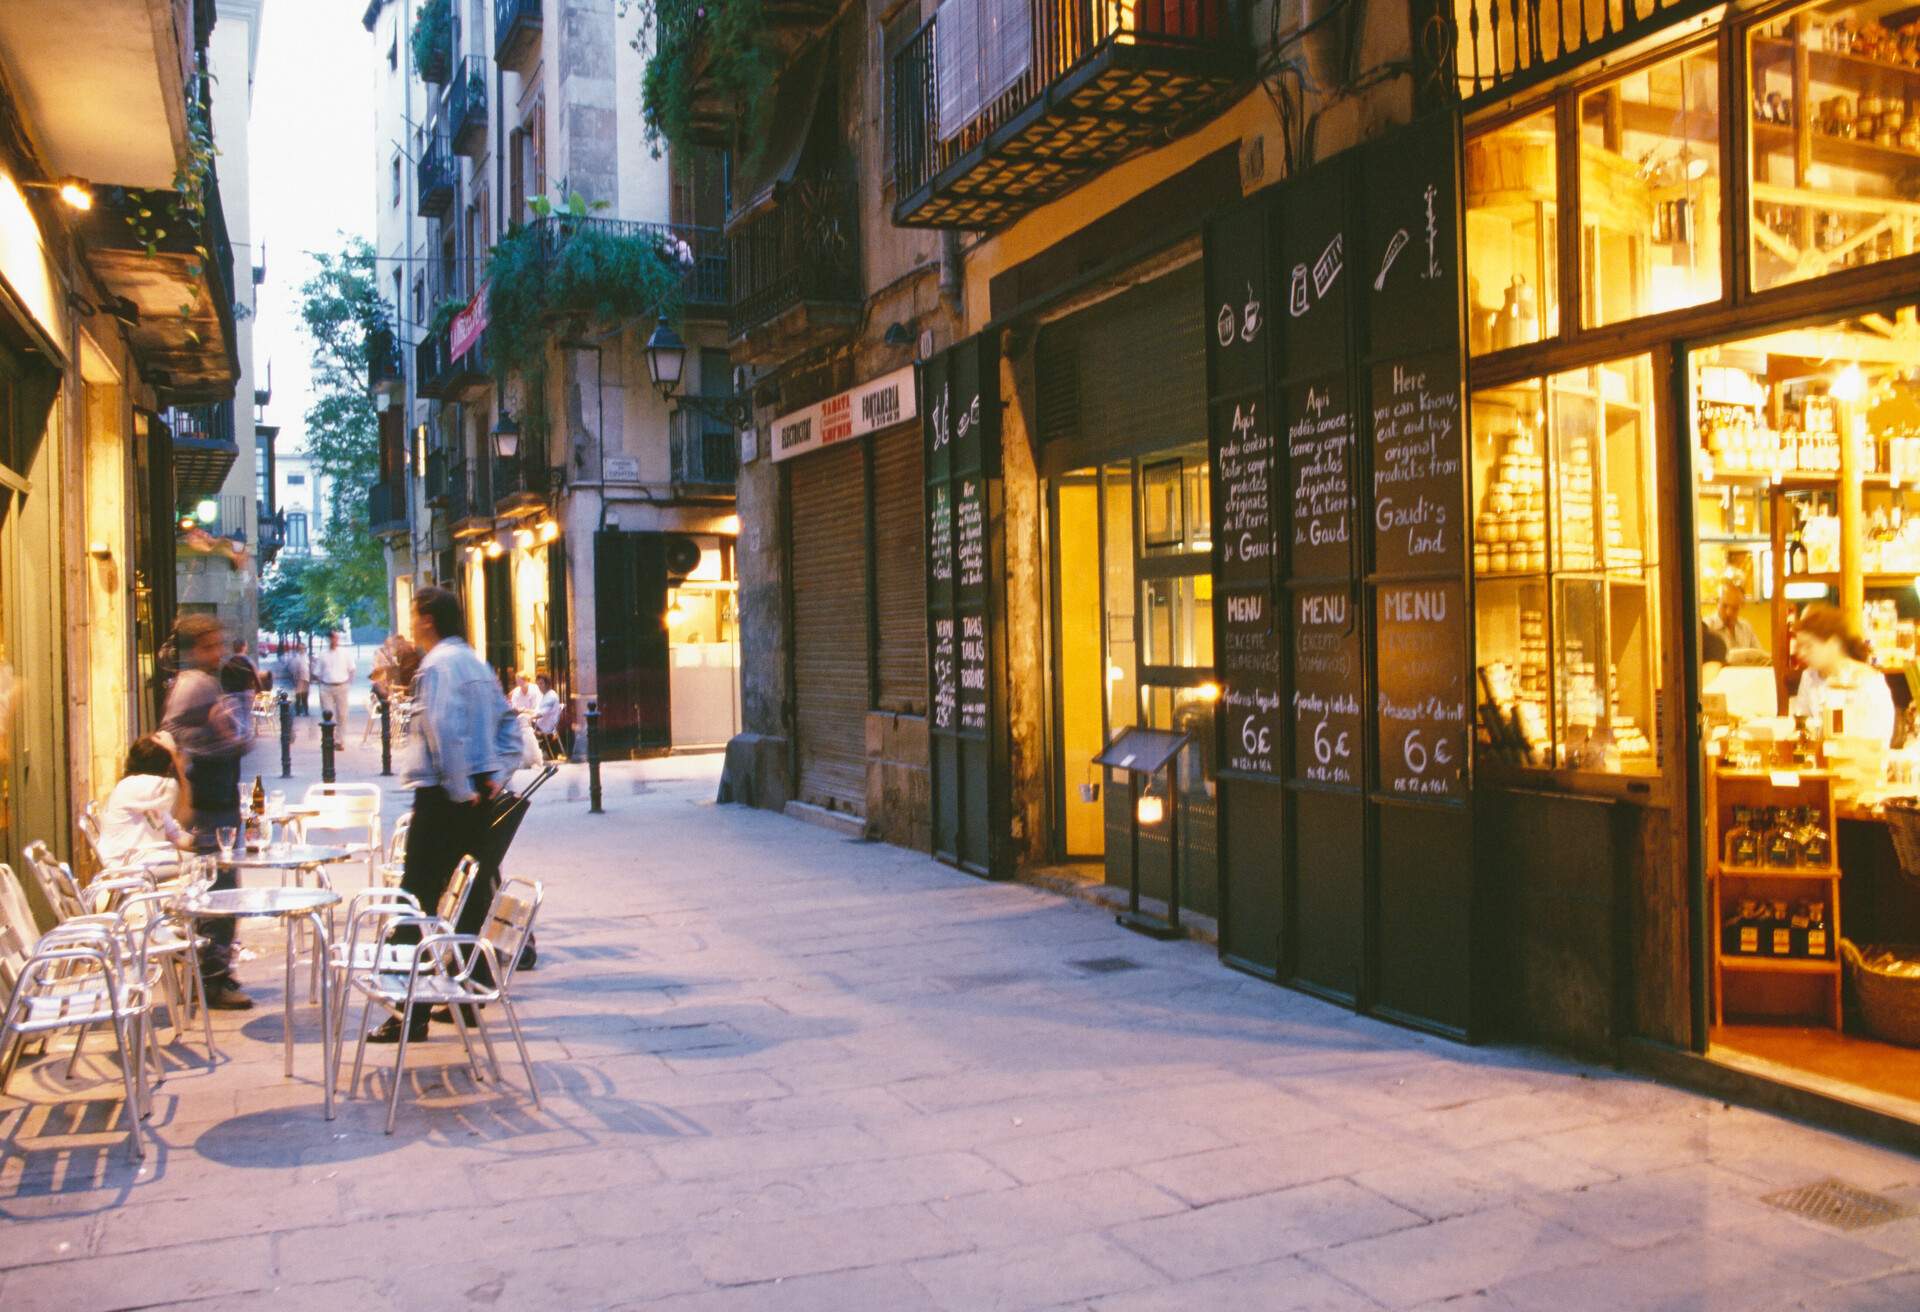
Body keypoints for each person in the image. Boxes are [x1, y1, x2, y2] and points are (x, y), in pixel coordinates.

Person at [379, 585, 521, 1043]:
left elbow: (442, 730)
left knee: (416, 897)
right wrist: (496, 774)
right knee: (473, 893)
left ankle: (410, 1010)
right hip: (474, 796)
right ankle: (468, 993)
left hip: (444, 798)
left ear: (428, 618)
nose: (411, 623)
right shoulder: (475, 663)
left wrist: (461, 787)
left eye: (414, 614)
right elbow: (508, 723)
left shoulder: (437, 666)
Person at [161, 613, 254, 1009]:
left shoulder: (203, 683)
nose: (217, 653)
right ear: (192, 650)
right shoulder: (194, 685)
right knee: (218, 892)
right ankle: (213, 980)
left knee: (221, 887)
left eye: (219, 644)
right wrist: (229, 737)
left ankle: (213, 973)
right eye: (209, 646)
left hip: (217, 800)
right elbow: (177, 738)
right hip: (209, 804)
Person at [1791, 603, 1897, 745]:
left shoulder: (1867, 680)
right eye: (1799, 646)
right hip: (1819, 760)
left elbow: (1879, 735)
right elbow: (1802, 723)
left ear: (1833, 643)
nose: (1802, 653)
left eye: (1808, 646)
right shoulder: (1809, 677)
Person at [97, 735, 193, 871]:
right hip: (129, 866)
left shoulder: (150, 796)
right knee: (203, 865)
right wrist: (175, 754)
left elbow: (176, 836)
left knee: (203, 860)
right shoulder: (141, 786)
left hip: (139, 860)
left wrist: (207, 842)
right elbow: (187, 809)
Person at [313, 631, 356, 731]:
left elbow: (352, 669)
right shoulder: (323, 654)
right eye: (332, 638)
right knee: (327, 713)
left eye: (336, 638)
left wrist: (349, 682)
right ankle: (329, 738)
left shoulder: (345, 653)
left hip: (342, 686)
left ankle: (339, 740)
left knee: (342, 714)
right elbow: (317, 672)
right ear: (328, 639)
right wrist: (320, 684)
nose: (334, 640)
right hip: (326, 687)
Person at [1707, 580, 1763, 654]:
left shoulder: (1746, 627)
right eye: (1725, 606)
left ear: (1742, 606)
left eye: (1735, 608)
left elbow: (1760, 655)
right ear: (1717, 602)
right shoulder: (1707, 627)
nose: (1729, 612)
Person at [533, 674, 563, 760]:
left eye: (541, 683)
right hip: (539, 725)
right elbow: (536, 711)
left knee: (522, 729)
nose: (539, 686)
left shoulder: (551, 696)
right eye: (538, 684)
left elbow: (541, 714)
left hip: (545, 727)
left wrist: (528, 717)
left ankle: (532, 756)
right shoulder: (544, 696)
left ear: (547, 683)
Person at [286, 644, 311, 716]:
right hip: (298, 680)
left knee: (305, 697)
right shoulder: (296, 658)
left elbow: (308, 668)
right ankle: (298, 712)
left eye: (304, 648)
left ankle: (306, 711)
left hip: (306, 679)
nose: (302, 650)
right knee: (298, 697)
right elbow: (293, 669)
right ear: (298, 649)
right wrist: (295, 679)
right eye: (301, 648)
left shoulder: (306, 657)